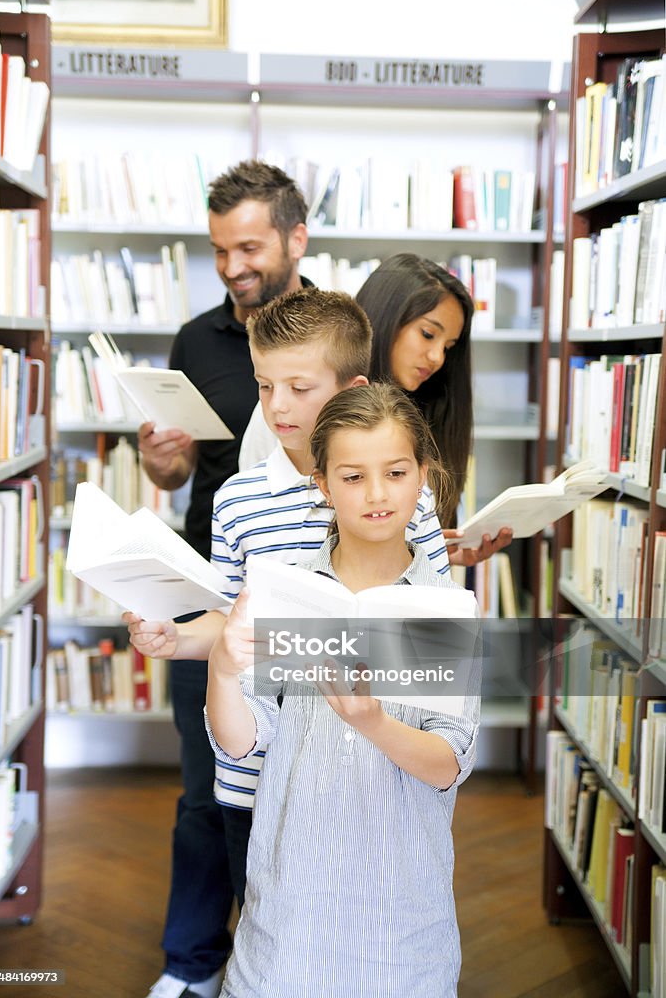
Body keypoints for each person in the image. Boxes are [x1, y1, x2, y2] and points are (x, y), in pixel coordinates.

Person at [125, 286, 456, 910]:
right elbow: (227, 624)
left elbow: (432, 634)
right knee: (268, 925)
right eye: (263, 385)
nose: (278, 407)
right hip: (259, 772)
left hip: (369, 768)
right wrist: (177, 635)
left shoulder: (401, 495)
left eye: (299, 388)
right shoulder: (238, 500)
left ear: (353, 386)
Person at [205, 382, 480, 998]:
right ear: (323, 486)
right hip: (289, 905)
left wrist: (375, 724)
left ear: (423, 477)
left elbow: (449, 764)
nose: (377, 494)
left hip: (400, 915)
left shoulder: (442, 606)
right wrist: (223, 670)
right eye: (353, 477)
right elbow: (242, 742)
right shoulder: (288, 591)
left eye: (396, 472)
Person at [137, 159, 310, 998]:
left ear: (294, 238)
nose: (233, 266)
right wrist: (158, 461)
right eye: (218, 250)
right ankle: (193, 962)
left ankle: (280, 956)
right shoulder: (197, 339)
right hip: (206, 588)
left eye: (248, 246)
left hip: (305, 592)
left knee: (296, 786)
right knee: (205, 788)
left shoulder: (335, 335)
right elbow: (175, 479)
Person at [240, 252, 513, 565]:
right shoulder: (285, 416)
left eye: (448, 347)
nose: (438, 358)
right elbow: (258, 521)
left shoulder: (424, 409)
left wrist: (432, 551)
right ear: (386, 318)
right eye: (427, 334)